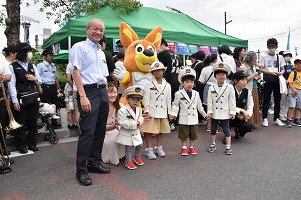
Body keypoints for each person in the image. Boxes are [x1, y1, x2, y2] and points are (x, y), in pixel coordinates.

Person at [70, 19, 111, 186]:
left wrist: (106, 94)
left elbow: (104, 76)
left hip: (102, 92)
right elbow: (76, 72)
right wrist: (82, 95)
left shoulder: (101, 52)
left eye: (101, 30)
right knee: (87, 132)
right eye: (95, 29)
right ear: (87, 29)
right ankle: (81, 170)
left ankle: (94, 162)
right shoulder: (79, 47)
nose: (98, 32)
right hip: (88, 92)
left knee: (100, 130)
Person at [8, 42, 42, 154]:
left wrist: (34, 79)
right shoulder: (12, 67)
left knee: (33, 121)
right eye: (28, 51)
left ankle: (32, 143)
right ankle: (20, 144)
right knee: (21, 122)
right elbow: (11, 85)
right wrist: (14, 101)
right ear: (22, 53)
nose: (30, 54)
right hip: (21, 98)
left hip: (33, 98)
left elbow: (40, 81)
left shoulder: (32, 66)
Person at [169, 68, 207, 156]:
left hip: (194, 117)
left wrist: (205, 115)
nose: (189, 84)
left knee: (193, 133)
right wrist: (173, 114)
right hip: (183, 117)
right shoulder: (178, 93)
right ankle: (184, 147)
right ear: (182, 83)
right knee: (183, 133)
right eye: (187, 82)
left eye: (191, 82)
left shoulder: (196, 93)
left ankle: (192, 146)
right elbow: (175, 105)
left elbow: (200, 106)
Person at [140, 61, 172, 159]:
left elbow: (169, 99)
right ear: (152, 73)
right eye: (155, 71)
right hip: (152, 112)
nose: (157, 72)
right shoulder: (149, 84)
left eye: (159, 70)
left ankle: (159, 147)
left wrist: (169, 112)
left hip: (162, 111)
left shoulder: (167, 85)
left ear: (163, 71)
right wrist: (146, 111)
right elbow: (147, 98)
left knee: (160, 131)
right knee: (149, 131)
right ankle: (149, 149)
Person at [206, 62, 236, 155]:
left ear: (226, 76)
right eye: (218, 74)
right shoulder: (211, 87)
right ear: (215, 76)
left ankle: (228, 147)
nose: (221, 76)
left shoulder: (230, 87)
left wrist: (232, 111)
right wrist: (209, 112)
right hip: (215, 112)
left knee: (226, 129)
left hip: (225, 112)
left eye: (223, 74)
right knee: (213, 129)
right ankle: (212, 144)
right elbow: (209, 101)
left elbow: (232, 100)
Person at [116, 86, 144, 170]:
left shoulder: (139, 109)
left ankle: (137, 156)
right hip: (127, 132)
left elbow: (141, 118)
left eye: (138, 100)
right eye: (133, 99)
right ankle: (128, 161)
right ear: (128, 99)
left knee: (140, 144)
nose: (135, 102)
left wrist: (140, 121)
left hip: (136, 132)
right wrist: (136, 123)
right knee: (129, 147)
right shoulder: (122, 110)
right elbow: (122, 122)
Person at [259, 38, 285, 127]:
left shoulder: (280, 57)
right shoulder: (263, 57)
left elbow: (283, 68)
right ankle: (265, 118)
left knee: (278, 99)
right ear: (267, 47)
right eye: (269, 46)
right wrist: (269, 72)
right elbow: (261, 68)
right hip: (268, 79)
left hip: (277, 79)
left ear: (276, 47)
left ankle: (276, 118)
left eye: (273, 46)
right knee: (266, 99)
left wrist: (281, 73)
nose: (271, 48)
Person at [157, 37, 182, 131]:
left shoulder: (162, 54)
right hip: (176, 82)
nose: (157, 49)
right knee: (174, 103)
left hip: (166, 82)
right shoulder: (176, 55)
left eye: (158, 46)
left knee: (166, 103)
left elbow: (160, 69)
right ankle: (174, 122)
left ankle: (167, 123)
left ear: (163, 44)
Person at [101, 83, 125, 165]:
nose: (113, 95)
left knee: (128, 135)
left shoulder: (120, 106)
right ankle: (111, 158)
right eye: (110, 92)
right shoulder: (101, 107)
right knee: (110, 141)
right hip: (105, 132)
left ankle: (123, 155)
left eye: (115, 92)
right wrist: (113, 126)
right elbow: (101, 127)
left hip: (118, 130)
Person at [37, 49, 61, 127]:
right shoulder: (40, 65)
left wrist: (58, 87)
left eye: (52, 55)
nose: (51, 57)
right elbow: (38, 78)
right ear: (45, 56)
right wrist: (39, 87)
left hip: (52, 86)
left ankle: (54, 121)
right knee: (45, 104)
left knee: (54, 103)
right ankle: (45, 121)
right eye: (49, 55)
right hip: (45, 86)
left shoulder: (53, 66)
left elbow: (56, 78)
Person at [239, 51, 261, 124]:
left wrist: (257, 77)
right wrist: (254, 75)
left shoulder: (253, 66)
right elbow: (243, 79)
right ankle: (247, 121)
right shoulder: (243, 67)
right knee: (248, 105)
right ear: (250, 58)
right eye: (255, 58)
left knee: (254, 105)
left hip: (254, 86)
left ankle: (253, 121)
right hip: (247, 88)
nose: (255, 60)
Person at [231, 70, 254, 139]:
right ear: (235, 81)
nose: (245, 82)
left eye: (245, 80)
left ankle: (238, 130)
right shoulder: (229, 89)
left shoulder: (247, 91)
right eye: (242, 80)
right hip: (229, 113)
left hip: (241, 115)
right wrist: (241, 110)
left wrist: (246, 116)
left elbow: (250, 106)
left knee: (249, 125)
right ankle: (227, 134)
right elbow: (227, 106)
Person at [199, 53, 218, 132]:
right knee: (216, 106)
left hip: (207, 88)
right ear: (215, 60)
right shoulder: (217, 68)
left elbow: (201, 81)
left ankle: (209, 125)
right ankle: (215, 126)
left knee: (208, 107)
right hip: (217, 88)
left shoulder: (205, 69)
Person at [0, 53, 12, 157]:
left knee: (2, 124)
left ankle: (2, 152)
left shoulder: (0, 56)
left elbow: (8, 76)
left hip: (0, 91)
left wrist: (2, 78)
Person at [285, 57, 301, 127]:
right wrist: (294, 90)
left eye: (300, 64)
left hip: (300, 91)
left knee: (298, 107)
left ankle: (296, 119)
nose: (298, 65)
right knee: (291, 106)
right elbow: (290, 83)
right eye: (297, 64)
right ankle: (288, 120)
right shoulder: (293, 73)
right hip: (293, 90)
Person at [279, 51, 294, 121]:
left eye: (289, 55)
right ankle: (281, 114)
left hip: (289, 85)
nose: (288, 57)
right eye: (286, 55)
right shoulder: (281, 65)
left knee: (287, 101)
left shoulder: (290, 65)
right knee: (282, 100)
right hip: (282, 85)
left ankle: (285, 113)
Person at [65, 62, 80, 130]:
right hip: (83, 88)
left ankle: (78, 128)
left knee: (76, 111)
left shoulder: (70, 64)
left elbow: (68, 79)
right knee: (72, 111)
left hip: (75, 90)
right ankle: (70, 124)